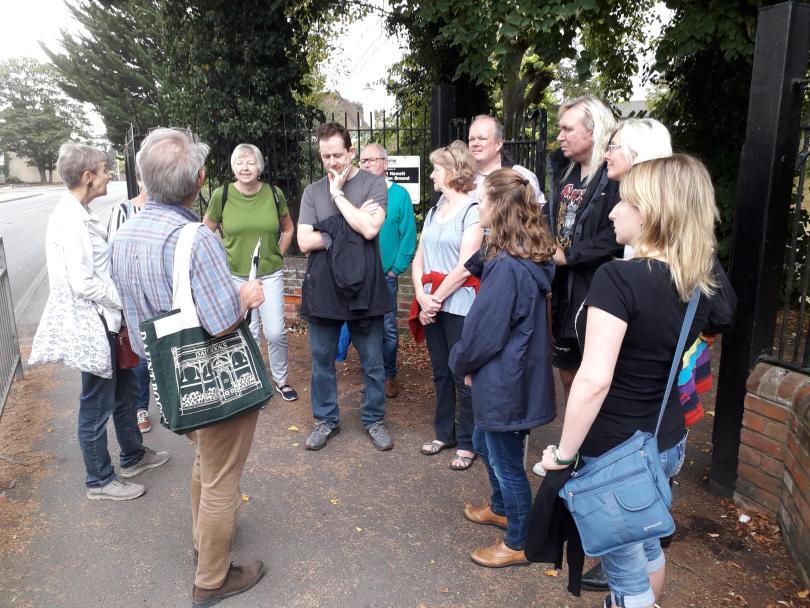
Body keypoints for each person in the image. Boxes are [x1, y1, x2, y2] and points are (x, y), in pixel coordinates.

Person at [540, 155, 726, 608]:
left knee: (626, 579)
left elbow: (593, 381)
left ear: (652, 212)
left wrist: (563, 454)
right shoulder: (697, 282)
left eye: (623, 201)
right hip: (665, 440)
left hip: (614, 452)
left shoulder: (618, 278)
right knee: (646, 545)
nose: (611, 211)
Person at [110, 128, 267, 606]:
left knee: (204, 458)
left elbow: (133, 314)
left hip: (167, 376)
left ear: (143, 177)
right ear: (200, 179)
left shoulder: (124, 232)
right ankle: (212, 578)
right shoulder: (196, 239)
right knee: (222, 477)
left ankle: (205, 543)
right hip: (210, 375)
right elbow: (222, 322)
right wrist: (248, 295)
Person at [36, 143, 169, 501]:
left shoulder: (78, 213)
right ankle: (99, 479)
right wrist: (124, 302)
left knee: (125, 392)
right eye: (105, 169)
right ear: (88, 176)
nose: (110, 174)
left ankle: (133, 455)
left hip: (107, 322)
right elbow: (84, 282)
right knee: (96, 403)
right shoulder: (71, 219)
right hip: (94, 325)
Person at [448, 168, 556, 567]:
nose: (478, 204)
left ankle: (518, 540)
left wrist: (461, 361)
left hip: (506, 377)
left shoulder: (509, 266)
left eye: (482, 198)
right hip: (509, 373)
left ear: (498, 205)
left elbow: (484, 331)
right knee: (483, 443)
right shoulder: (510, 253)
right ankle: (500, 507)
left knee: (506, 460)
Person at [297, 122, 393, 452]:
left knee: (373, 361)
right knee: (321, 360)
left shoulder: (372, 184)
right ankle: (326, 420)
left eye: (338, 154)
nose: (332, 162)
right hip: (323, 288)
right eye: (326, 157)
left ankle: (374, 419)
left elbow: (369, 229)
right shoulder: (311, 192)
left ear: (351, 151)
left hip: (366, 286)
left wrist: (338, 196)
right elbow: (302, 240)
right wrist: (342, 231)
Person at [203, 143, 298, 402]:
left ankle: (280, 380)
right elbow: (204, 233)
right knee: (248, 332)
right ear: (233, 166)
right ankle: (253, 382)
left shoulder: (273, 194)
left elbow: (288, 229)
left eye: (250, 162)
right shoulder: (221, 196)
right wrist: (219, 261)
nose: (245, 167)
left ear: (259, 166)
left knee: (276, 332)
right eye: (240, 162)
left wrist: (278, 252)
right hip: (236, 277)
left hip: (269, 275)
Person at [413, 141, 484, 470]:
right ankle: (445, 433)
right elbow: (419, 258)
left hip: (458, 306)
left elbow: (466, 264)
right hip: (433, 303)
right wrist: (422, 297)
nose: (431, 175)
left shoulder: (472, 210)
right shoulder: (433, 210)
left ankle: (469, 442)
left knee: (462, 374)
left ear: (454, 172)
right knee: (440, 372)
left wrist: (435, 299)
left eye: (436, 169)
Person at [546, 95, 621, 402]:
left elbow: (616, 233)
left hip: (596, 289)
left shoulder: (614, 175)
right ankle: (574, 444)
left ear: (592, 131)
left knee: (598, 376)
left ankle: (596, 446)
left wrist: (570, 256)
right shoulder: (562, 171)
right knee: (568, 374)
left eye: (567, 128)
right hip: (562, 290)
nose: (559, 136)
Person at [359, 143, 417, 399]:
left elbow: (408, 237)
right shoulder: (356, 193)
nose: (367, 164)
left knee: (387, 328)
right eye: (363, 161)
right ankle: (371, 374)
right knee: (363, 326)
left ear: (385, 163)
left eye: (372, 160)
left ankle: (389, 374)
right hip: (359, 275)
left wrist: (395, 270)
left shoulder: (399, 195)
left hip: (385, 276)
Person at [107, 164, 152, 433]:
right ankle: (140, 408)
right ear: (139, 181)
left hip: (162, 294)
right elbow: (111, 257)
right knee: (140, 356)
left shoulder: (170, 210)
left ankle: (170, 404)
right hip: (133, 296)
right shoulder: (122, 212)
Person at [467, 115, 544, 205]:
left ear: (499, 144)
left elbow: (538, 213)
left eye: (482, 138)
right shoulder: (462, 179)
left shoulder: (520, 176)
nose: (475, 143)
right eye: (471, 139)